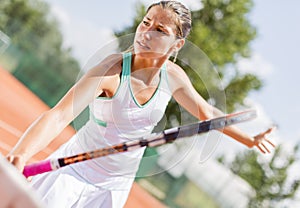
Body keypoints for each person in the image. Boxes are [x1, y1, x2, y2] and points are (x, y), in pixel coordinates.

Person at [7, 1, 275, 207]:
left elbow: (208, 113)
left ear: (177, 43)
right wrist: (22, 153)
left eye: (160, 30)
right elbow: (59, 115)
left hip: (114, 186)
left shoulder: (173, 77)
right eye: (145, 23)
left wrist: (249, 140)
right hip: (72, 172)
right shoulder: (111, 71)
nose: (146, 32)